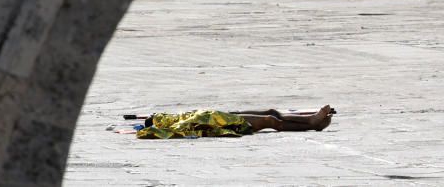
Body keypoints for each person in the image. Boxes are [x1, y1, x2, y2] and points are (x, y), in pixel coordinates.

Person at [137, 105, 335, 139]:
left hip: (223, 115)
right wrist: (151, 127)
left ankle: (311, 121)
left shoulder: (180, 116)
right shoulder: (176, 125)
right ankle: (312, 123)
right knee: (270, 121)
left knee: (271, 112)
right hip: (225, 123)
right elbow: (152, 132)